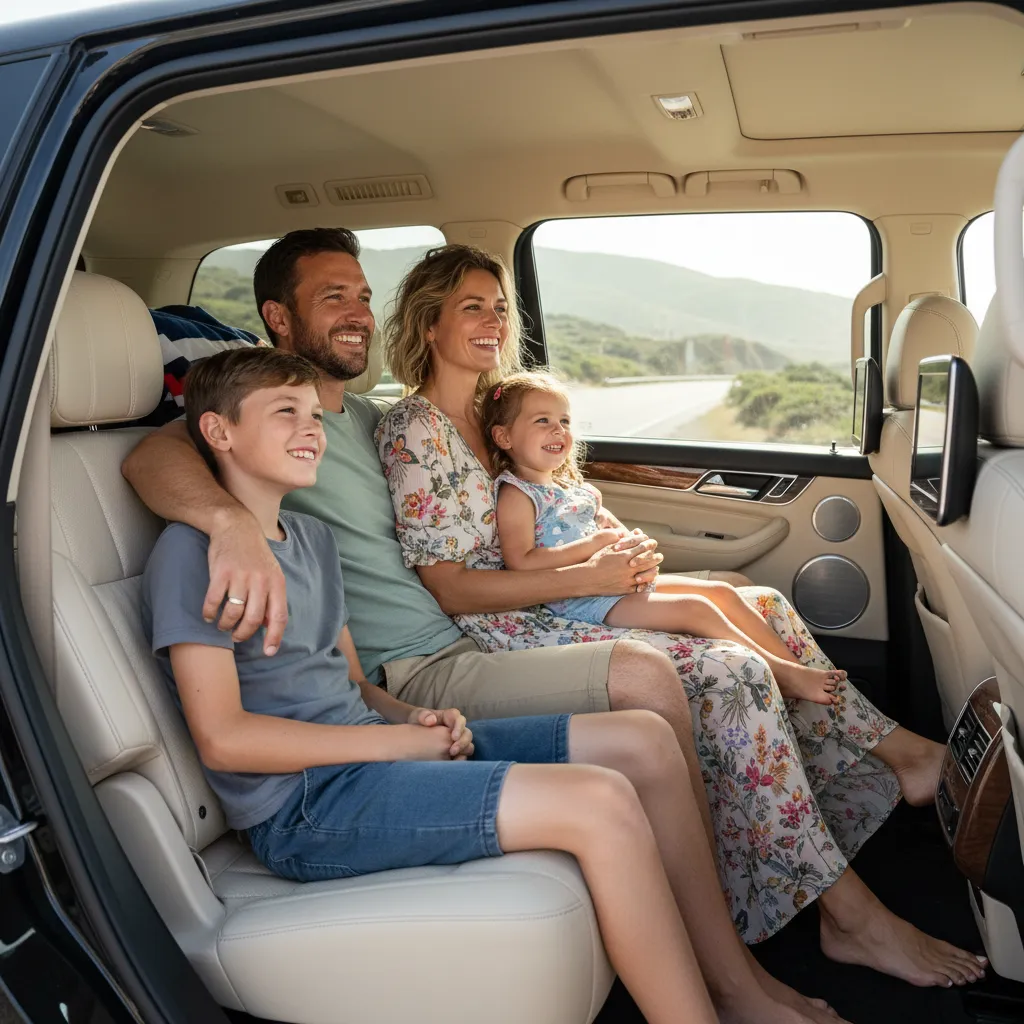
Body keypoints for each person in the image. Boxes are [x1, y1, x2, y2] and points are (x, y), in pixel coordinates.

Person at [123, 227, 853, 1022]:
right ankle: (740, 977)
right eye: (333, 295)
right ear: (278, 318)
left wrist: (408, 719)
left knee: (668, 700)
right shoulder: (223, 483)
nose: (359, 311)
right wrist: (228, 526)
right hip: (349, 756)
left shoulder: (357, 449)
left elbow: (353, 677)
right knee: (649, 687)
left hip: (406, 696)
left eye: (365, 294)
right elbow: (158, 463)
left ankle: (740, 965)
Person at [375, 241, 988, 989]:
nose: (493, 321)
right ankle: (846, 916)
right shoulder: (414, 431)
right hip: (510, 629)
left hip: (559, 597)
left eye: (500, 307)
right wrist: (593, 572)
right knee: (729, 670)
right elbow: (454, 588)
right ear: (427, 323)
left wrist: (614, 552)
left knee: (762, 603)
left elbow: (552, 518)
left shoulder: (492, 411)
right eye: (471, 306)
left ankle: (896, 759)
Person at [481, 369, 846, 706]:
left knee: (722, 593)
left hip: (616, 584)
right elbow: (521, 561)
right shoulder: (518, 494)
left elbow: (612, 529)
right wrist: (592, 548)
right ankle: (785, 677)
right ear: (504, 436)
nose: (558, 430)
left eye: (564, 421)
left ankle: (791, 666)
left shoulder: (572, 489)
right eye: (542, 421)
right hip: (582, 601)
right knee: (695, 608)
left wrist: (633, 547)